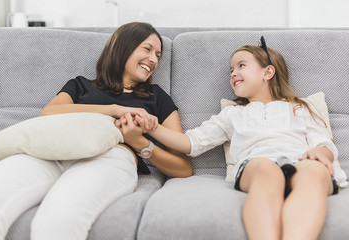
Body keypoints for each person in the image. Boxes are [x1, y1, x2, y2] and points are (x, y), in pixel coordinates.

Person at [121, 36, 340, 240]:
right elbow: (191, 143)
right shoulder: (232, 114)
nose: (233, 73)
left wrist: (320, 153)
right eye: (231, 69)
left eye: (241, 66)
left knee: (314, 171)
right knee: (266, 169)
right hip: (258, 165)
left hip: (300, 161)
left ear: (268, 72)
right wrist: (153, 128)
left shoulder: (301, 107)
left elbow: (324, 142)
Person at [0, 22, 191, 240]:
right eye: (147, 49)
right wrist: (115, 109)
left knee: (59, 219)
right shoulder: (80, 85)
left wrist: (139, 143)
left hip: (110, 157)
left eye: (158, 55)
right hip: (52, 152)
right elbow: (49, 113)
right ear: (123, 47)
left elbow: (183, 168)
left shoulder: (156, 96)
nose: (154, 60)